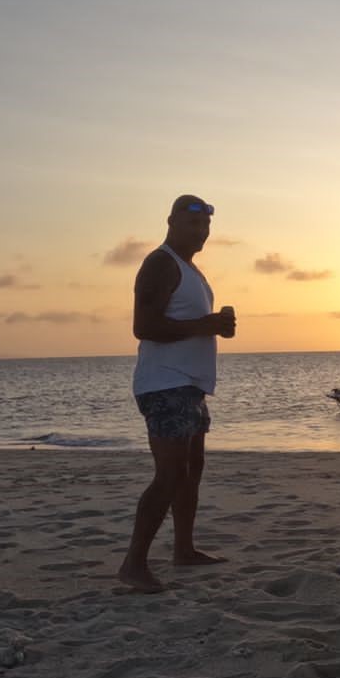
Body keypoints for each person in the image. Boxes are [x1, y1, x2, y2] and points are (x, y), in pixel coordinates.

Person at [117, 194, 237, 593]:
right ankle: (134, 564)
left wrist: (217, 325)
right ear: (171, 222)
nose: (201, 232)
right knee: (169, 475)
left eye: (205, 226)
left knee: (191, 471)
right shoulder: (160, 263)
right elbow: (145, 326)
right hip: (164, 383)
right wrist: (207, 324)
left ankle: (184, 549)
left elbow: (192, 322)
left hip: (191, 386)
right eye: (192, 224)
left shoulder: (190, 270)